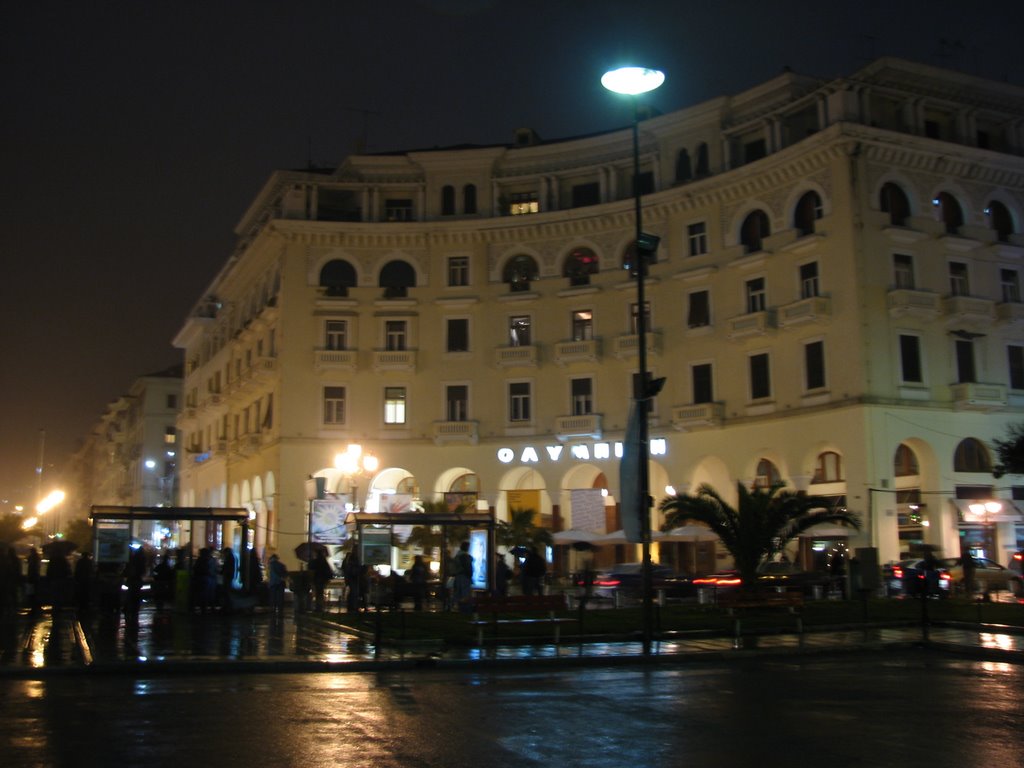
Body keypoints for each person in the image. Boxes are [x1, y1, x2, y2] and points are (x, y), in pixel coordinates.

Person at [452, 541, 473, 611]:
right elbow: (468, 568)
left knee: (458, 593)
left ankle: (458, 608)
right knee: (465, 594)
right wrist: (470, 575)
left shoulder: (458, 555)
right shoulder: (464, 556)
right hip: (464, 577)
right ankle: (464, 609)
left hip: (458, 576)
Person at [220, 546, 236, 613]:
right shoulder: (232, 558)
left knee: (226, 592)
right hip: (229, 577)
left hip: (227, 577)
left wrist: (222, 572)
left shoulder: (229, 558)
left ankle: (227, 607)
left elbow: (226, 568)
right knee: (227, 592)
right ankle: (227, 607)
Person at [26, 547, 41, 614]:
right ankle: (36, 607)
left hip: (32, 578)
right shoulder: (37, 558)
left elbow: (31, 567)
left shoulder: (32, 559)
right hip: (36, 578)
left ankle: (33, 608)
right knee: (35, 593)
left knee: (31, 594)